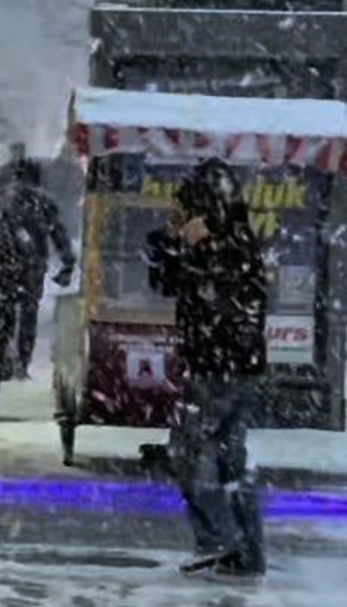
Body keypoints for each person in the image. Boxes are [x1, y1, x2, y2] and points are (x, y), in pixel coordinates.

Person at [147, 158, 268, 578]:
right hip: (223, 365)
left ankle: (224, 541)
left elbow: (221, 301)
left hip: (223, 367)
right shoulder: (226, 244)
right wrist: (171, 243)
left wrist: (200, 249)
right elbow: (167, 284)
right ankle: (241, 549)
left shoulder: (230, 247)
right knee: (226, 460)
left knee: (194, 454)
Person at [0, 158, 77, 380]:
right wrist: (67, 262)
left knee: (4, 312)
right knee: (28, 314)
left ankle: (1, 359)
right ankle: (22, 362)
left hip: (3, 263)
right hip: (33, 264)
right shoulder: (43, 201)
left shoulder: (2, 198)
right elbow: (58, 233)